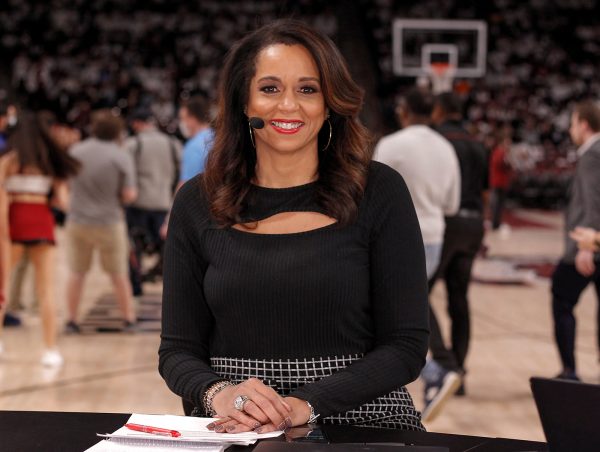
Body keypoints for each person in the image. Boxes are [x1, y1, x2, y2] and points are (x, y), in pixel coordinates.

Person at [159, 19, 429, 433]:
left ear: (329, 102)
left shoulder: (379, 190)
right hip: (238, 426)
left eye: (307, 89)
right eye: (269, 89)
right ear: (244, 102)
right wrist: (220, 393)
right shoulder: (197, 200)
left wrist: (306, 404)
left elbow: (407, 347)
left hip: (364, 421)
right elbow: (177, 351)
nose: (289, 105)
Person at [373, 87, 461, 422]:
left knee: (388, 313)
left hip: (397, 235)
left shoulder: (392, 144)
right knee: (408, 307)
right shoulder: (445, 147)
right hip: (436, 237)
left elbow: (369, 192)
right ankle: (433, 372)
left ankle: (435, 371)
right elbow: (452, 203)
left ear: (404, 111)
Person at [0, 111, 80, 365]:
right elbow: (64, 202)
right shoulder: (50, 164)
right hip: (42, 225)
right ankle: (50, 349)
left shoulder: (9, 162)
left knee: (2, 287)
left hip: (13, 226)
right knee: (46, 291)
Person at [426, 92, 489, 411]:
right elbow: (486, 190)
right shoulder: (478, 143)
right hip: (474, 224)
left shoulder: (436, 140)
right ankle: (459, 373)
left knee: (416, 295)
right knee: (459, 300)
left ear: (439, 110)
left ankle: (444, 362)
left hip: (447, 223)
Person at [64, 110, 138, 333]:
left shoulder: (76, 151)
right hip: (109, 221)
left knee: (76, 273)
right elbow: (129, 194)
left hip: (77, 220)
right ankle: (128, 318)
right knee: (119, 274)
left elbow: (67, 186)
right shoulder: (120, 156)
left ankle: (71, 319)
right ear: (117, 132)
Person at [552, 100, 600, 381]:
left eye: (572, 123)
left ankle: (569, 370)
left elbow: (593, 201)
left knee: (561, 299)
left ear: (583, 124)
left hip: (588, 245)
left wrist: (587, 246)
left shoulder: (592, 154)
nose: (570, 129)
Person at [124, 109, 182, 294]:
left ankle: (136, 286)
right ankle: (171, 289)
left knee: (135, 248)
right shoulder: (173, 144)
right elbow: (182, 173)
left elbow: (126, 174)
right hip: (165, 203)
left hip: (138, 204)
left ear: (136, 124)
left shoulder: (133, 143)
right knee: (169, 251)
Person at [177, 95, 214, 186]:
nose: (181, 123)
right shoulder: (218, 137)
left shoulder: (193, 146)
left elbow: (185, 185)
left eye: (182, 119)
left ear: (192, 119)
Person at [489, 128, 513, 231]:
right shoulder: (499, 152)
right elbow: (501, 164)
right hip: (498, 182)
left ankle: (497, 223)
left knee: (499, 205)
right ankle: (495, 224)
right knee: (496, 204)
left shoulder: (502, 152)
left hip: (502, 182)